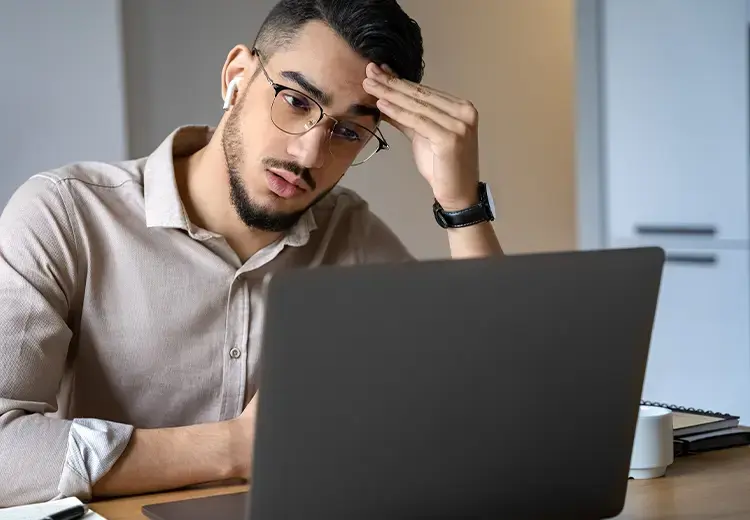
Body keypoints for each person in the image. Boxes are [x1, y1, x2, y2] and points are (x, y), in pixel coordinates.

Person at [0, 0, 503, 508]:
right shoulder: (65, 214)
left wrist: (461, 204)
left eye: (348, 131)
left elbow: (496, 406)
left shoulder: (350, 235)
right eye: (297, 101)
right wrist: (234, 447)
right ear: (236, 76)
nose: (309, 153)